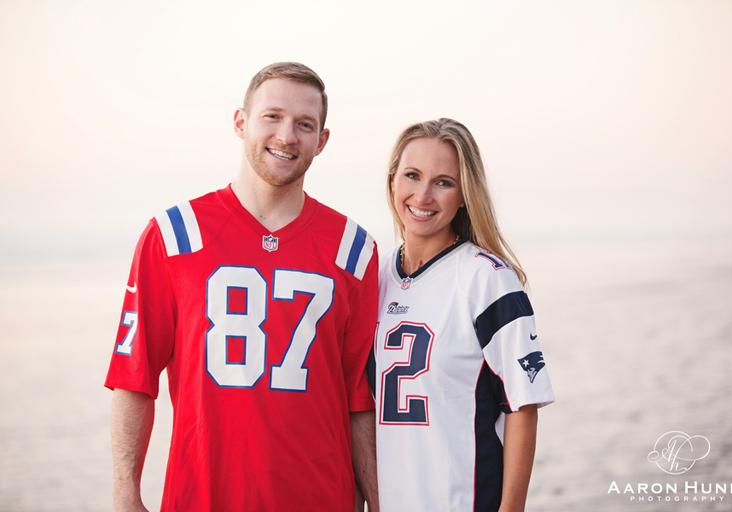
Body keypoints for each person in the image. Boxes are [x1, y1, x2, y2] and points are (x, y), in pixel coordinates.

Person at [106, 62, 379, 512]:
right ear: (241, 122)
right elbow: (133, 378)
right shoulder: (174, 235)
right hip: (202, 498)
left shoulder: (354, 250)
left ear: (321, 141)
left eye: (304, 124)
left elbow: (360, 399)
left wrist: (378, 500)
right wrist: (124, 495)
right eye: (272, 116)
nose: (287, 136)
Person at [369, 118, 554, 512]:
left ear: (465, 194)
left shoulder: (489, 281)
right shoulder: (371, 279)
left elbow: (523, 406)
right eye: (412, 176)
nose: (423, 195)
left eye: (443, 182)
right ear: (392, 182)